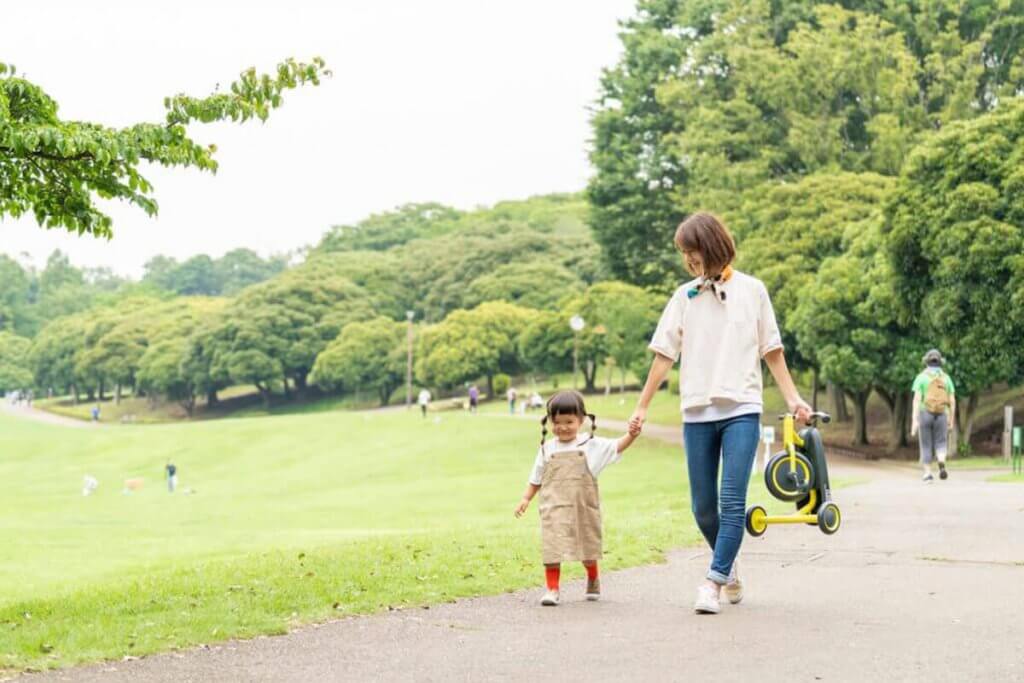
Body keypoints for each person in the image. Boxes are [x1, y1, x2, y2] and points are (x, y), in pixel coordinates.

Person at [629, 212, 811, 615]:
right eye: (683, 255)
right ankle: (728, 566)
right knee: (703, 508)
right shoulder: (684, 296)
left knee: (732, 501)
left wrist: (794, 399)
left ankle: (712, 582)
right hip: (696, 412)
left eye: (691, 252)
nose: (688, 261)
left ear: (711, 245)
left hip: (742, 409)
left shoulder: (753, 290)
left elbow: (772, 350)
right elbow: (663, 354)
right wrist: (642, 405)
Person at [514, 390, 641, 606]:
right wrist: (526, 499)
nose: (562, 427)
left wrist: (632, 434)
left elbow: (617, 446)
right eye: (557, 422)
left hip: (582, 508)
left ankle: (592, 577)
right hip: (554, 508)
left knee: (587, 548)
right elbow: (536, 478)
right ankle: (552, 589)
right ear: (550, 421)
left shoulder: (590, 445)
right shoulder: (546, 449)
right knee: (552, 548)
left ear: (581, 420)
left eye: (569, 421)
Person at [911, 349, 956, 483]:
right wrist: (951, 419)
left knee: (926, 444)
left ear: (927, 362)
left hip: (925, 413)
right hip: (942, 414)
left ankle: (928, 474)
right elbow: (952, 401)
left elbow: (917, 399)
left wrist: (914, 419)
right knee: (941, 442)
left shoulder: (921, 377)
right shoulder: (946, 378)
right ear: (940, 362)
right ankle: (941, 461)